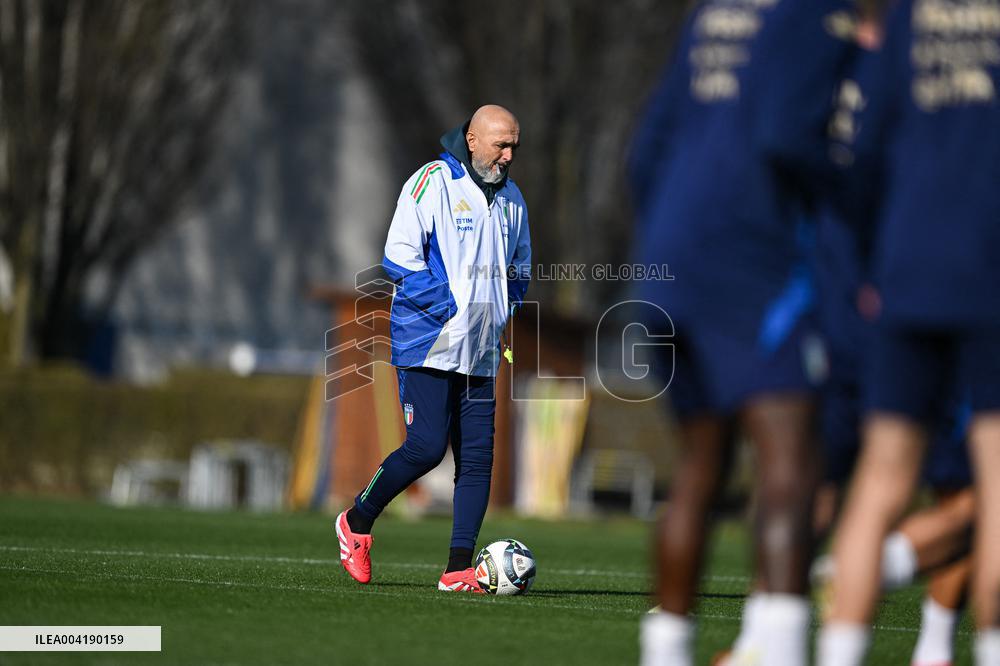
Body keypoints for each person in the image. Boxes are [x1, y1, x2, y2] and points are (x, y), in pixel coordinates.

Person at [631, 1, 864, 663]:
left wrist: (670, 242)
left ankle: (666, 651)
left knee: (700, 467)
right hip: (750, 257)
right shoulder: (815, 12)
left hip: (671, 257)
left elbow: (644, 150)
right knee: (791, 458)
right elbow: (788, 134)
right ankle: (783, 648)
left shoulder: (713, 12)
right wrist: (850, 198)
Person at [816, 0, 1000, 662]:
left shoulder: (906, 23)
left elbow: (861, 153)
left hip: (906, 268)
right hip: (987, 271)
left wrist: (874, 256)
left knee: (881, 481)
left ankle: (841, 651)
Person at [334, 104, 531, 593]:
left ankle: (458, 569)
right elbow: (398, 258)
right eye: (500, 145)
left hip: (483, 347)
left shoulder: (513, 199)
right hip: (428, 341)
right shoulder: (431, 182)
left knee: (478, 459)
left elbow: (521, 267)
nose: (508, 156)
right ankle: (356, 522)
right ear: (471, 139)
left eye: (514, 147)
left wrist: (500, 311)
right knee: (425, 448)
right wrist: (450, 307)